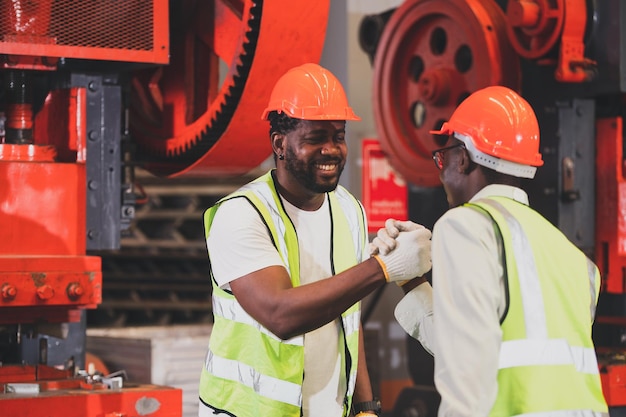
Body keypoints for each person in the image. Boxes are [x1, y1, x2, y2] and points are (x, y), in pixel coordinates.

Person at [197, 62, 432, 417]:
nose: (331, 149)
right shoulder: (242, 214)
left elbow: (348, 319)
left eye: (337, 136)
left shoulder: (349, 210)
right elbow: (280, 314)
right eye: (315, 139)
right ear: (279, 143)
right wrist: (382, 268)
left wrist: (366, 407)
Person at [372, 85, 608, 416]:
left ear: (464, 159)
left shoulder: (466, 226)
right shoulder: (574, 259)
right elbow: (480, 347)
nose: (440, 172)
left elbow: (465, 375)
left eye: (444, 157)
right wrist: (410, 279)